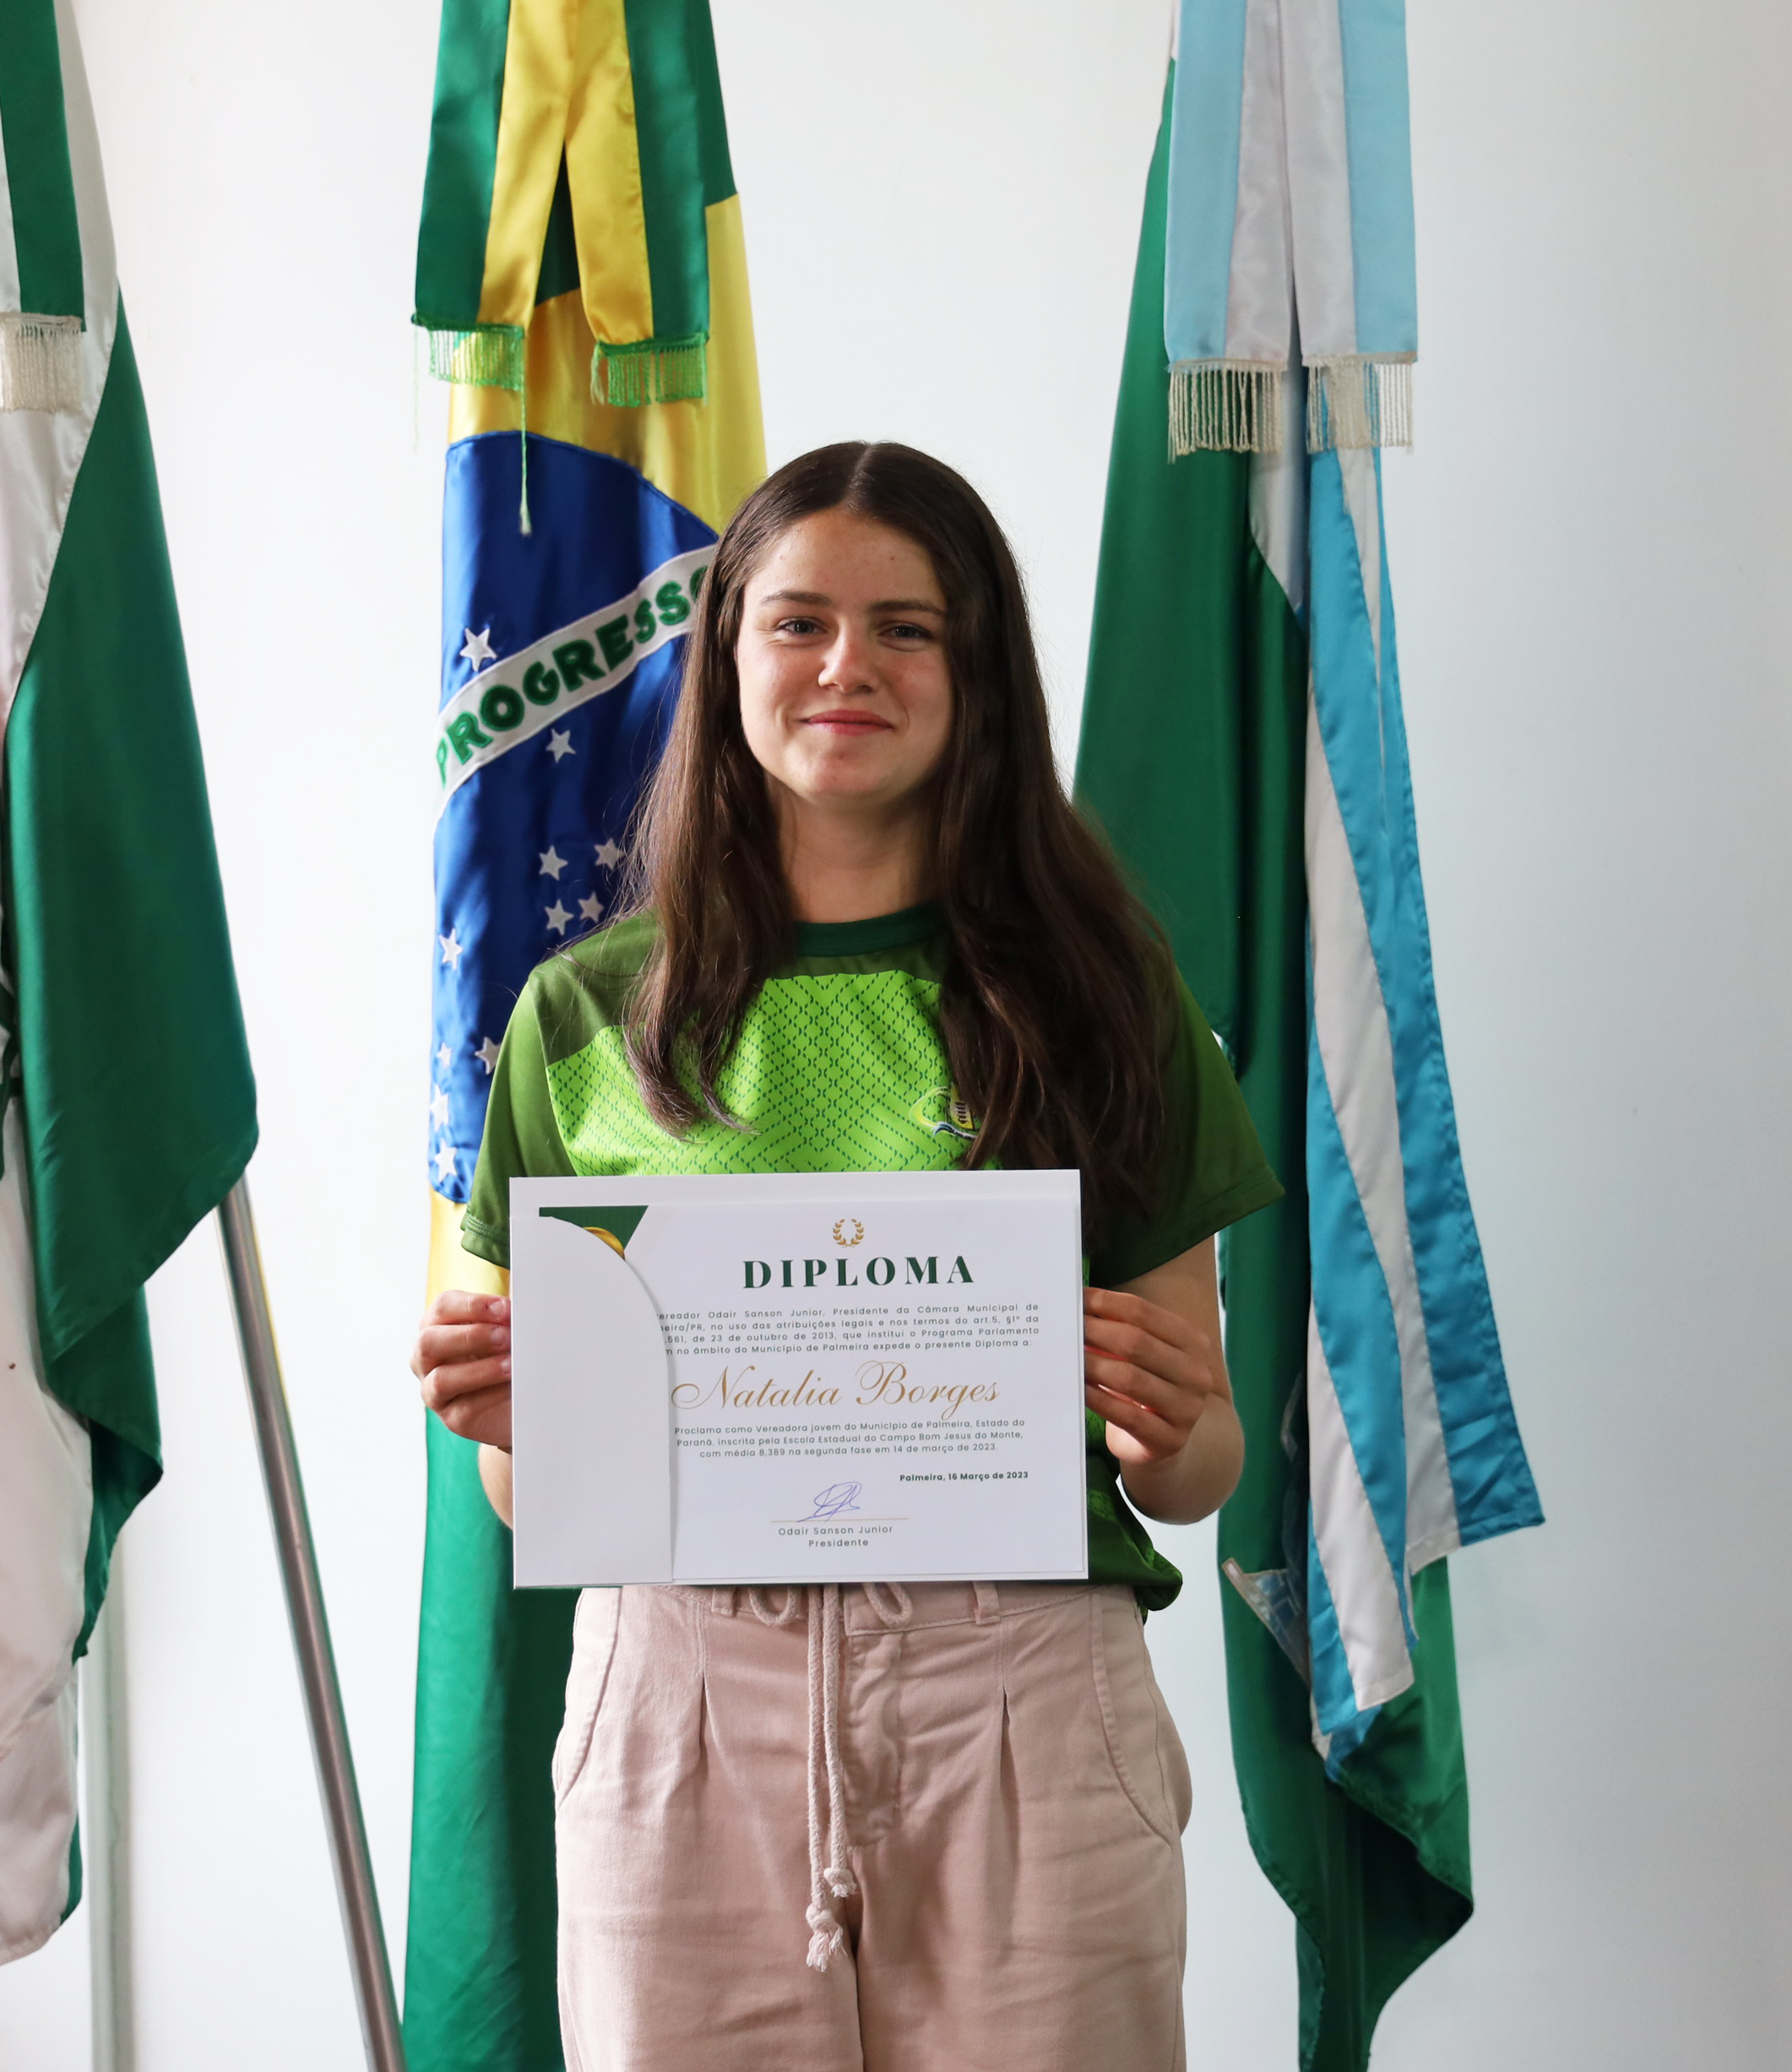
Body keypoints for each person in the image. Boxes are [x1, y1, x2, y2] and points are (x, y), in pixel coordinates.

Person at [410, 441, 1282, 2071]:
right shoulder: (581, 1014)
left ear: (980, 671)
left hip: (1022, 1693)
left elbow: (1199, 1466)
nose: (846, 667)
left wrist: (1169, 1422)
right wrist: (522, 1422)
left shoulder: (1111, 1002)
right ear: (728, 654)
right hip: (683, 1701)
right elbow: (535, 1493)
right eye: (799, 622)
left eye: (907, 628)